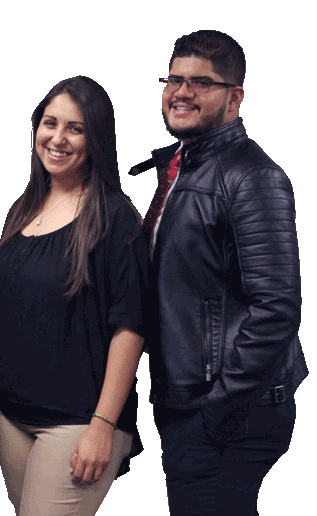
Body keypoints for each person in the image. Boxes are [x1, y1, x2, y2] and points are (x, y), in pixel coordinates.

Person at [129, 30, 306, 515]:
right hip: (190, 402)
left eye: (201, 83)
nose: (182, 92)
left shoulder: (253, 176)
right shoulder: (182, 167)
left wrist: (216, 409)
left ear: (235, 97)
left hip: (227, 412)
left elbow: (277, 308)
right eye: (174, 80)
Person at [0, 76, 149, 516]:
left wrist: (103, 426)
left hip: (78, 422)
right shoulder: (21, 210)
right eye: (50, 123)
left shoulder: (115, 217)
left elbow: (131, 326)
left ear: (97, 139)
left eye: (76, 128)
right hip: (10, 416)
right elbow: (5, 316)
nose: (58, 138)